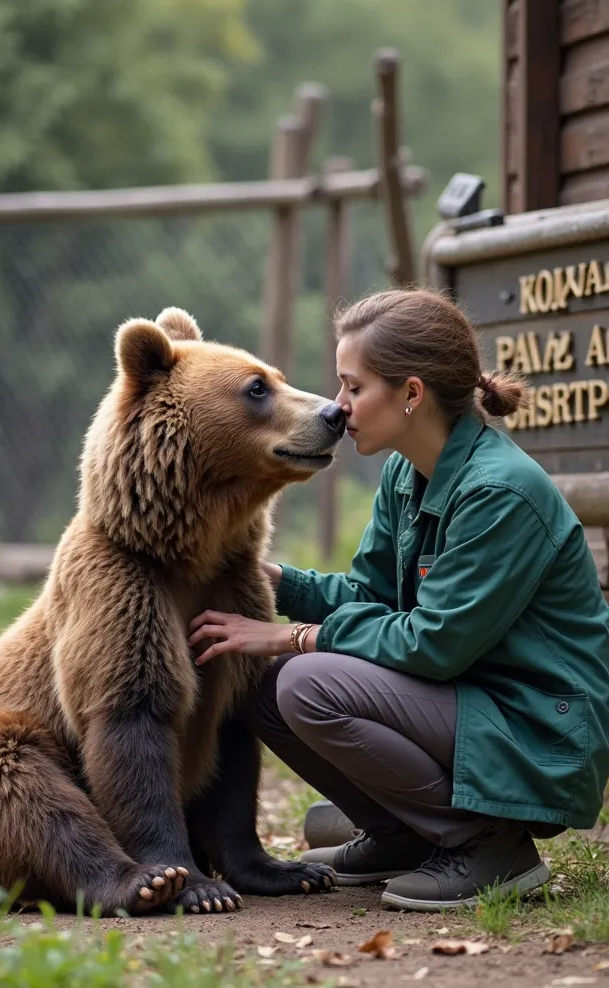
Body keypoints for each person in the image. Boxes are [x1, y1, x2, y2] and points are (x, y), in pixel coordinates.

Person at [188, 290, 609, 912]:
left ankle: (488, 845)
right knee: (260, 681)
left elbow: (433, 643)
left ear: (411, 394)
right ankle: (401, 837)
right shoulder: (407, 472)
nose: (337, 407)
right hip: (471, 706)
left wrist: (295, 635)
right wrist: (272, 578)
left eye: (353, 388)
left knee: (306, 682)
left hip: (536, 731)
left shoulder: (500, 492)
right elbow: (371, 596)